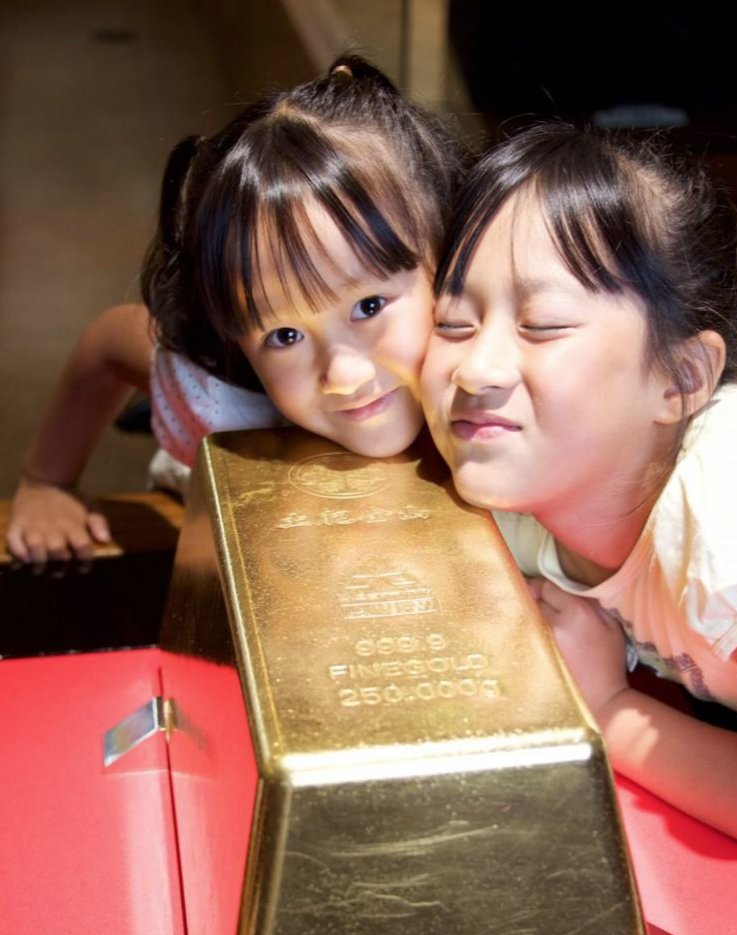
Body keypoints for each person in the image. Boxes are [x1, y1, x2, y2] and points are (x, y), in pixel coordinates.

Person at [421, 122, 737, 860]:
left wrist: (608, 706)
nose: (476, 369)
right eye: (453, 323)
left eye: (542, 324)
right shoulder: (517, 500)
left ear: (681, 378)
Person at [7, 56, 465, 563]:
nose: (343, 376)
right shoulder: (220, 402)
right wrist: (46, 481)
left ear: (449, 259)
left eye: (369, 306)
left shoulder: (499, 364)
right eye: (285, 336)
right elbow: (108, 344)